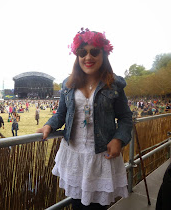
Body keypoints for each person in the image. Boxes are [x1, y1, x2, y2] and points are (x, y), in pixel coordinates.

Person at [37, 28, 133, 209]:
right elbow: (61, 114)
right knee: (77, 205)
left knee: (99, 207)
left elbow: (126, 118)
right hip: (74, 156)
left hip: (101, 157)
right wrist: (48, 125)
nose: (88, 57)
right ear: (77, 56)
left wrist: (119, 139)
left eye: (94, 51)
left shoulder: (115, 84)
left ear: (104, 54)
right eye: (82, 52)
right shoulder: (68, 84)